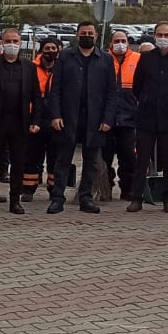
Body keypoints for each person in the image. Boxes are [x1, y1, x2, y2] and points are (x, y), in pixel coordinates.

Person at [47, 22, 117, 215]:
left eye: (90, 33)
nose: (87, 36)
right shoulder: (66, 57)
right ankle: (57, 198)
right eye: (83, 33)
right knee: (62, 160)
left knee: (92, 162)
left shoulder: (105, 59)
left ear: (96, 36)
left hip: (95, 119)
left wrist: (108, 119)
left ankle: (86, 198)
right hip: (68, 117)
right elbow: (55, 90)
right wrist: (56, 115)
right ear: (77, 36)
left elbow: (112, 92)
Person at [128, 22, 168, 213]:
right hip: (147, 117)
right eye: (159, 34)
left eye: (167, 34)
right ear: (154, 36)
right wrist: (147, 100)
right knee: (142, 160)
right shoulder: (146, 58)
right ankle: (136, 198)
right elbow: (137, 86)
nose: (163, 37)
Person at [0, 27, 43, 215]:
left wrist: (36, 120)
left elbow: (36, 96)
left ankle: (15, 201)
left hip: (20, 122)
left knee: (18, 163)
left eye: (15, 41)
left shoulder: (29, 67)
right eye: (8, 41)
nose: (11, 45)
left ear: (20, 43)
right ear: (1, 44)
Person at [101, 28, 139, 203]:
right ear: (110, 43)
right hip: (106, 118)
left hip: (129, 117)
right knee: (104, 156)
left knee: (128, 157)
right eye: (116, 41)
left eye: (123, 40)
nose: (120, 44)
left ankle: (128, 189)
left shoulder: (138, 59)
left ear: (128, 42)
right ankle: (105, 187)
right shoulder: (103, 59)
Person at [21, 36, 61, 201]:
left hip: (55, 119)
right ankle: (28, 189)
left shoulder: (62, 68)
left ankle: (54, 189)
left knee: (55, 157)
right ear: (41, 50)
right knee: (32, 156)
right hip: (35, 118)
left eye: (53, 48)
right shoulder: (31, 68)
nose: (50, 51)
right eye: (47, 48)